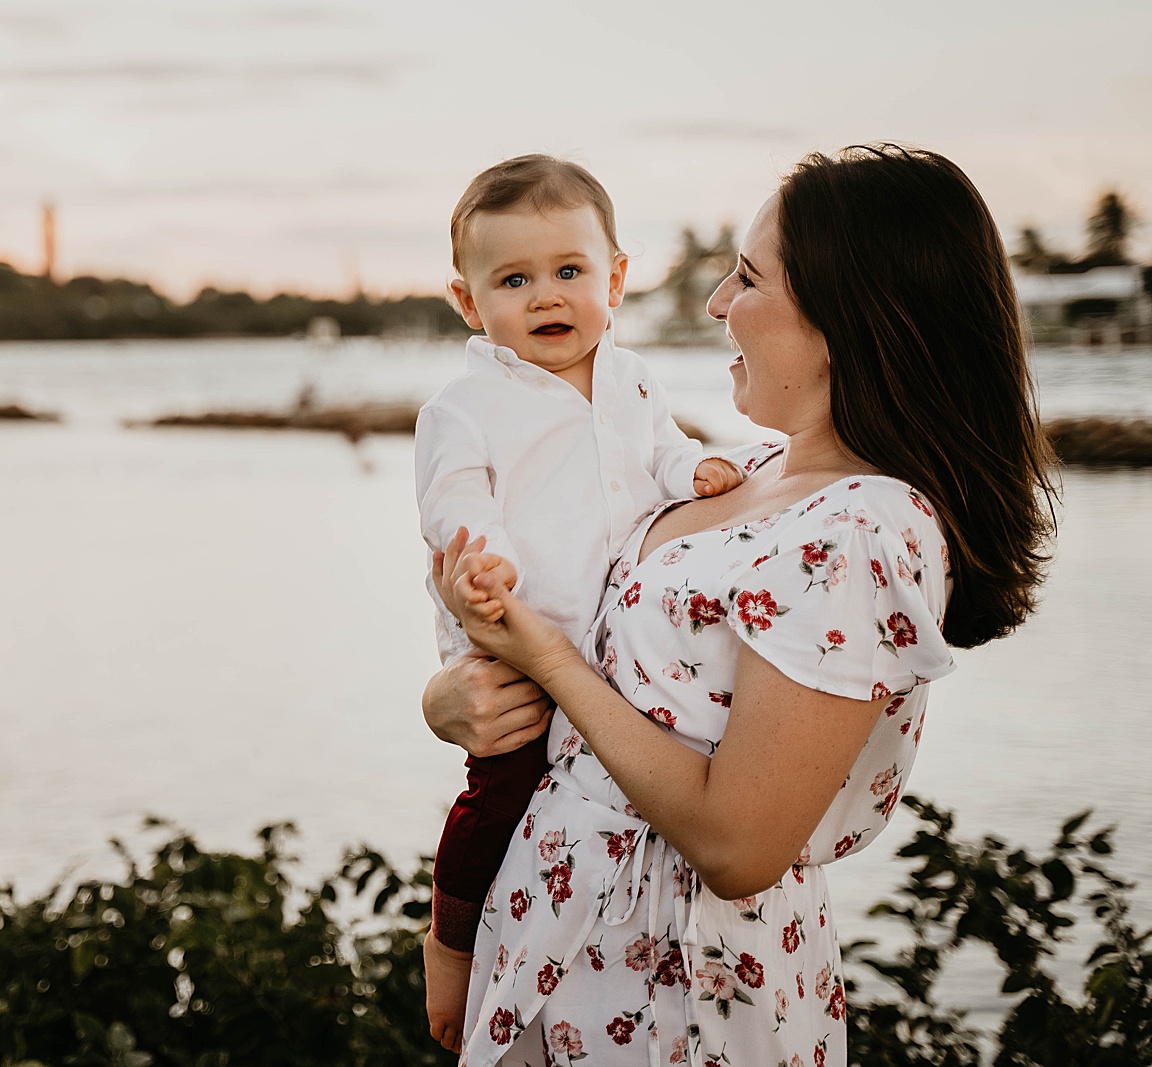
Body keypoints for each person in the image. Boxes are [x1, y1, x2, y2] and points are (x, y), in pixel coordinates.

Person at [423, 144, 1058, 1066]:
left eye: (749, 277)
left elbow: (738, 843)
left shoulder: (866, 527)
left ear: (851, 314)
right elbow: (575, 628)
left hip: (677, 994)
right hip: (550, 939)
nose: (717, 301)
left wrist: (547, 661)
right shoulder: (745, 476)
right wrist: (451, 697)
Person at [417, 154, 745, 1051]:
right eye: (513, 280)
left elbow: (666, 449)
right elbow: (454, 500)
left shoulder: (633, 380)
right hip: (515, 639)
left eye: (569, 272)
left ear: (617, 278)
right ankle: (451, 942)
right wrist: (482, 561)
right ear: (468, 301)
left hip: (613, 655)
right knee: (502, 795)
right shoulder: (466, 405)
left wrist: (696, 472)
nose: (546, 296)